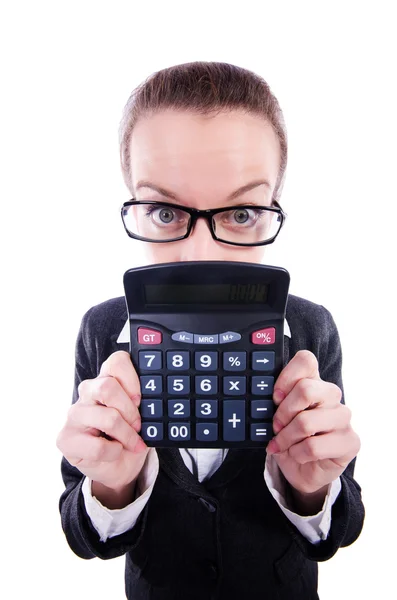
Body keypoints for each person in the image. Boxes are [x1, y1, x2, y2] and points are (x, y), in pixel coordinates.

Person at [56, 61, 364, 600]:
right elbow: (84, 538)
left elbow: (337, 531)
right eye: (164, 211)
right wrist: (112, 483)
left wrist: (311, 488)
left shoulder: (312, 329)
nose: (202, 256)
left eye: (242, 213)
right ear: (134, 201)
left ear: (273, 209)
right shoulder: (103, 332)